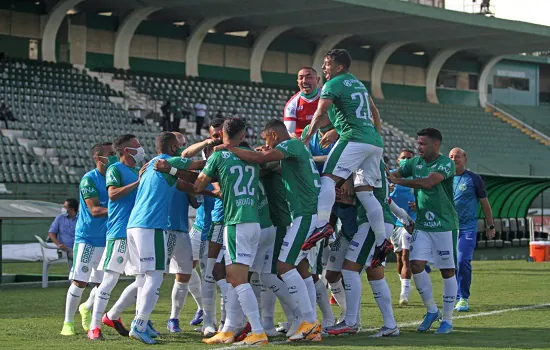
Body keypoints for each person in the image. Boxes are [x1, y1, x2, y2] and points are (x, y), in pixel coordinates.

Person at [216, 119, 322, 342]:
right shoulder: (294, 149)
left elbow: (262, 159)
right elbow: (265, 162)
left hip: (306, 213)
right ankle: (307, 322)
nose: (266, 144)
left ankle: (310, 321)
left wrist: (230, 148)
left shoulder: (289, 145)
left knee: (285, 267)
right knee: (294, 268)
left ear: (273, 134)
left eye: (266, 139)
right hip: (304, 214)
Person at [301, 49, 391, 268]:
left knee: (328, 180)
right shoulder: (358, 84)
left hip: (354, 138)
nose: (324, 68)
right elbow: (374, 113)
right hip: (374, 142)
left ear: (338, 67)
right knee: (365, 191)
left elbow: (320, 114)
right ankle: (382, 241)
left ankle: (322, 225)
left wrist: (306, 140)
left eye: (327, 64)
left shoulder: (332, 85)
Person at [125, 132, 204, 344]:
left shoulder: (150, 164)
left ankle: (141, 321)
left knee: (144, 277)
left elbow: (186, 183)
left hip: (133, 225)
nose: (181, 150)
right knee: (155, 276)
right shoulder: (170, 160)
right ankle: (140, 324)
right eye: (179, 146)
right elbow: (200, 166)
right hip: (151, 226)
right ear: (171, 148)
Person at [194, 118, 268, 346]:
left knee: (237, 279)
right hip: (254, 221)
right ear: (243, 135)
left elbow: (198, 186)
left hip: (235, 222)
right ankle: (228, 329)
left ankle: (257, 330)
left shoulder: (217, 156)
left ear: (221, 133)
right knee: (236, 278)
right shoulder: (251, 156)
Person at [387, 128, 459, 334]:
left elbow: (429, 183)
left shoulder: (446, 163)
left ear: (436, 145)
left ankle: (448, 319)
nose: (418, 147)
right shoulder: (413, 163)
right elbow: (393, 175)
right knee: (415, 264)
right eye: (417, 143)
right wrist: (382, 169)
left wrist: (399, 181)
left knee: (447, 271)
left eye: (423, 144)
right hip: (423, 225)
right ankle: (432, 311)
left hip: (444, 225)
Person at [326, 160, 402, 337]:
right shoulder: (373, 166)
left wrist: (347, 183)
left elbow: (368, 199)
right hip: (376, 223)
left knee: (349, 270)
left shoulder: (365, 166)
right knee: (375, 274)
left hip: (371, 224)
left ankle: (351, 321)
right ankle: (390, 325)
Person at [87, 134, 145, 340]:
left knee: (146, 279)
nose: (141, 148)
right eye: (137, 146)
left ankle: (113, 315)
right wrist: (138, 182)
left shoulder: (137, 170)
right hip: (119, 231)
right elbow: (112, 194)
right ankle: (94, 327)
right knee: (110, 279)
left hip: (137, 231)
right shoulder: (115, 169)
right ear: (126, 150)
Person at [60, 142, 113, 337]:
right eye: (111, 154)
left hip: (107, 238)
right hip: (88, 239)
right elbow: (95, 210)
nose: (114, 157)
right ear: (99, 158)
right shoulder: (88, 180)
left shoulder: (114, 178)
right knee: (80, 281)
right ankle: (68, 323)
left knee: (102, 284)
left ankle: (89, 312)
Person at [449, 147, 495, 312]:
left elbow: (485, 204)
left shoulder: (474, 179)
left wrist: (490, 226)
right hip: (448, 228)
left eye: (457, 156)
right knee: (450, 264)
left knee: (462, 260)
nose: (454, 159)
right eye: (451, 156)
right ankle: (451, 296)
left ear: (465, 158)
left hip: (467, 228)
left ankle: (463, 298)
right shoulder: (443, 178)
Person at [389, 149, 417, 305]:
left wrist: (419, 205)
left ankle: (403, 294)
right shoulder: (391, 176)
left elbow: (427, 197)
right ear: (398, 161)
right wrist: (388, 189)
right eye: (403, 158)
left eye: (409, 158)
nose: (406, 160)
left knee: (406, 257)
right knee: (399, 258)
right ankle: (406, 285)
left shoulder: (418, 178)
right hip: (393, 223)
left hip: (410, 221)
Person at [284, 67, 322, 138]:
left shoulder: (328, 97)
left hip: (325, 139)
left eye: (309, 77)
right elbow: (289, 132)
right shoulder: (292, 104)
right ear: (298, 82)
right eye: (301, 78)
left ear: (317, 80)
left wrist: (334, 132)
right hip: (302, 141)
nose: (304, 81)